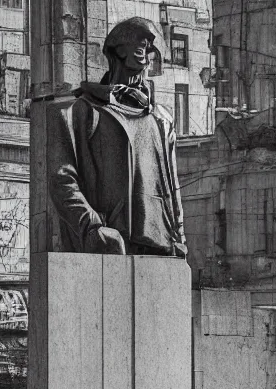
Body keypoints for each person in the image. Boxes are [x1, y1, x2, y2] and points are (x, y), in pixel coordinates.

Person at [48, 17, 187, 258]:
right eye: (140, 48)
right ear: (118, 52)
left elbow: (172, 185)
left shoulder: (162, 119)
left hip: (162, 247)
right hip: (108, 245)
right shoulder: (80, 112)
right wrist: (92, 228)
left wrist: (179, 235)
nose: (145, 59)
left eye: (147, 50)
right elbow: (62, 181)